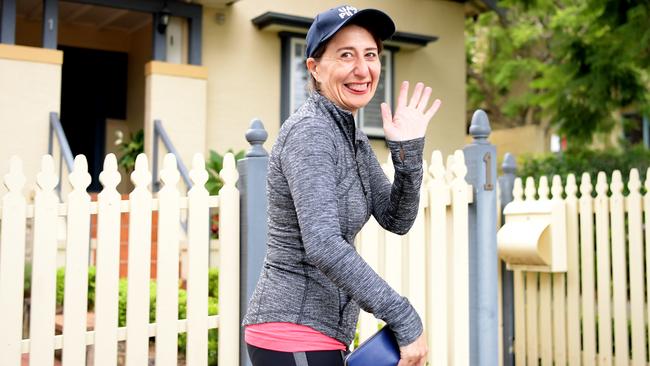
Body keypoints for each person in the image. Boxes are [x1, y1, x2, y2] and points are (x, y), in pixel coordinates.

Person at [242, 5, 441, 366]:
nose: (362, 69)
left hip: (319, 336)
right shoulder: (312, 131)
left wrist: (407, 152)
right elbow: (323, 245)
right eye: (346, 55)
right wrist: (402, 315)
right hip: (292, 334)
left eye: (371, 55)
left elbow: (396, 218)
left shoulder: (349, 133)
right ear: (315, 68)